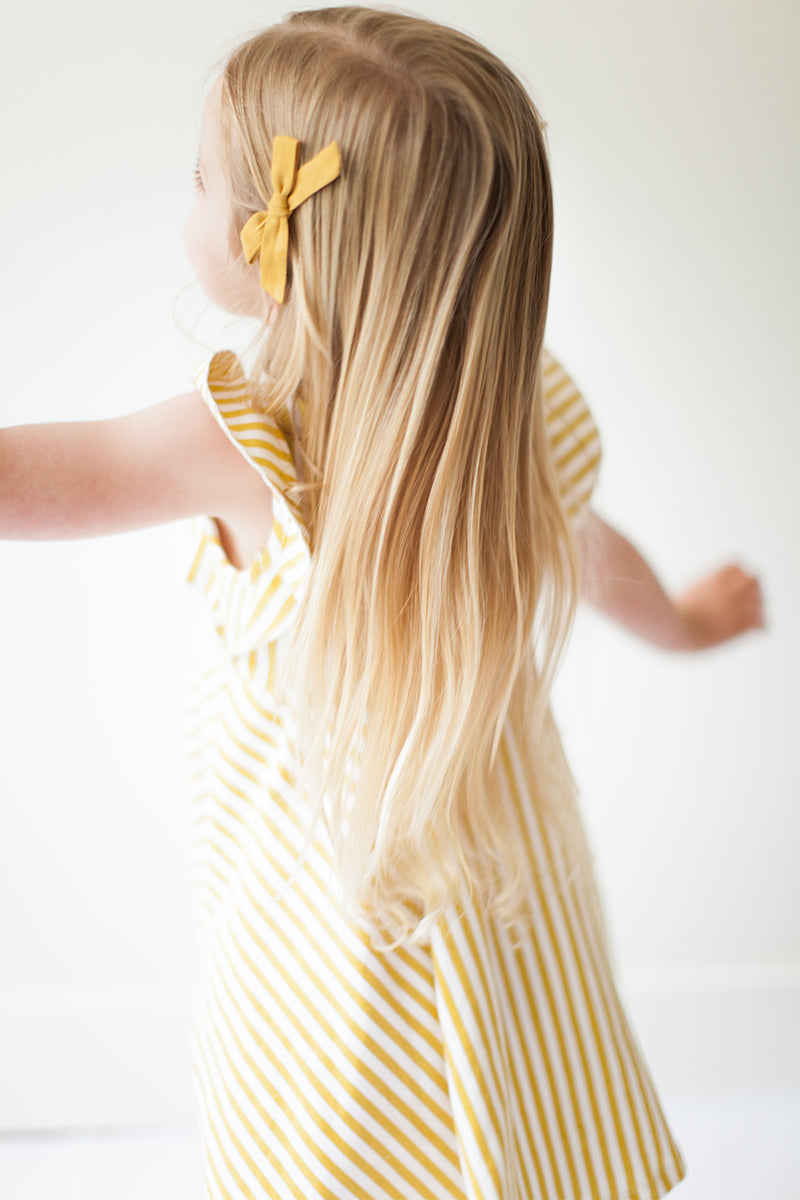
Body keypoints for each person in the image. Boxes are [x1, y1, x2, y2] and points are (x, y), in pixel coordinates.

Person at [0, 7, 764, 1198]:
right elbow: (581, 548)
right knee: (524, 1124)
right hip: (509, 894)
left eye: (202, 179)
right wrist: (684, 620)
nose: (187, 196)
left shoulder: (243, 443)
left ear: (272, 245)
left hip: (334, 950)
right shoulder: (512, 410)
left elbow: (47, 475)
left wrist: (681, 619)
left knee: (351, 1158)